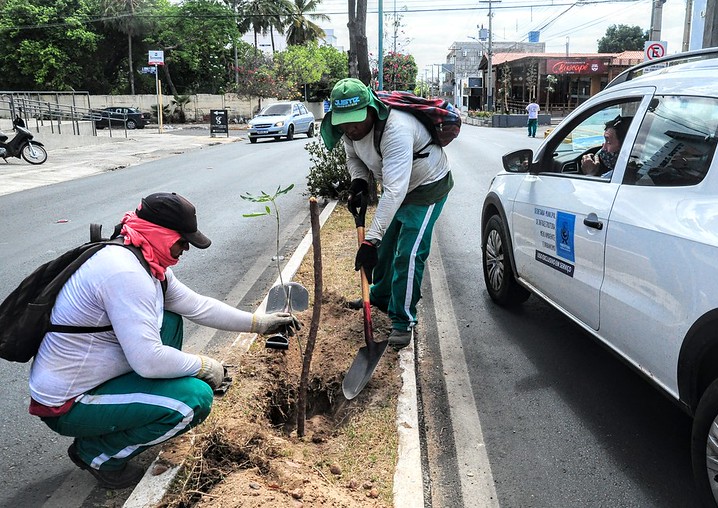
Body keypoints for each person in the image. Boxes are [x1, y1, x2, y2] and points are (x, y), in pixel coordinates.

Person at [28, 192, 300, 489]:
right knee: (193, 400)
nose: (185, 249)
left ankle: (138, 412)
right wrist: (203, 366)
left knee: (169, 320)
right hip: (70, 402)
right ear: (159, 233)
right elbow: (148, 360)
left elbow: (197, 305)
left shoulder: (142, 258)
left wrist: (259, 324)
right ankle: (97, 454)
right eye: (181, 241)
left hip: (97, 376)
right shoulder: (124, 272)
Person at [319, 78, 453, 349]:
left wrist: (370, 239)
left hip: (426, 188)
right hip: (397, 185)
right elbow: (353, 157)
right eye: (344, 122)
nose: (350, 128)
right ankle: (378, 296)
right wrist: (358, 181)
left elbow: (394, 191)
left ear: (372, 109)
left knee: (408, 253)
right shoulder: (348, 131)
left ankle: (403, 321)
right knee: (386, 247)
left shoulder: (397, 129)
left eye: (355, 120)